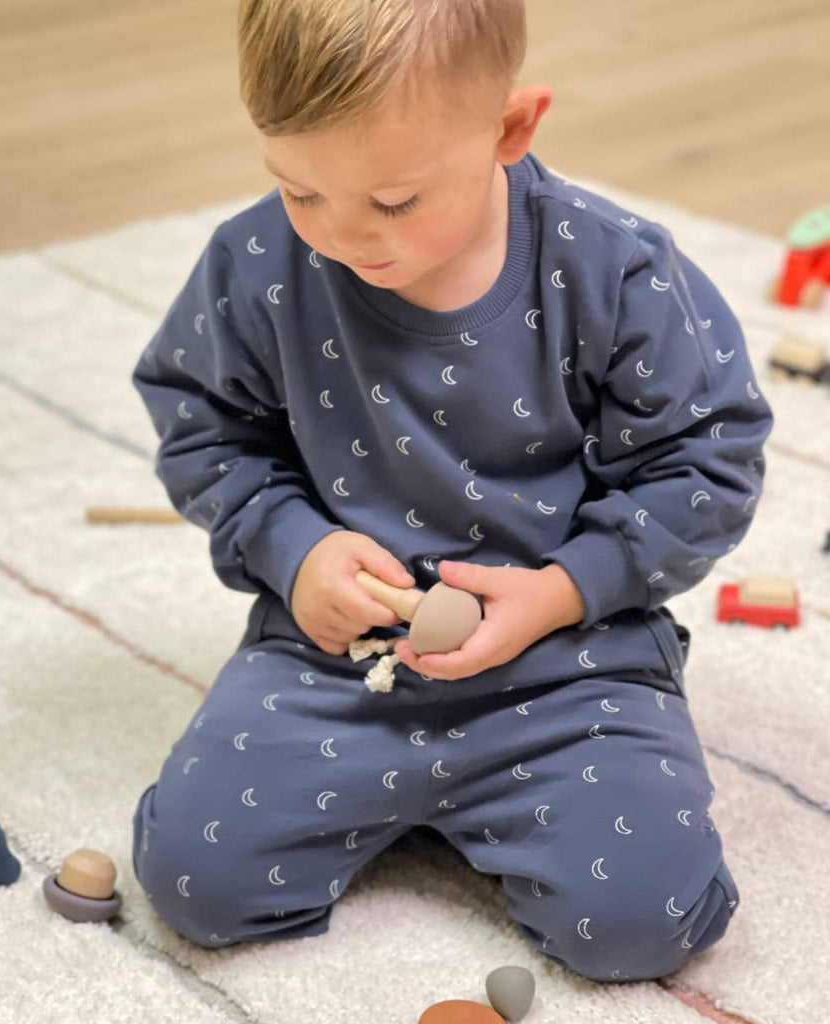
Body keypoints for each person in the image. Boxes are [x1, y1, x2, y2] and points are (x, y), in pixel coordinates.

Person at [129, 0, 773, 982]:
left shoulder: (612, 268)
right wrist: (290, 546)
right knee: (195, 882)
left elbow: (708, 459)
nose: (344, 238)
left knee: (645, 919)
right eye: (300, 190)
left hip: (569, 659)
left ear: (510, 129)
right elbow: (202, 425)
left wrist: (565, 589)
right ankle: (424, 800)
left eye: (392, 203)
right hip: (341, 656)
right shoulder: (257, 262)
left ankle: (480, 802)